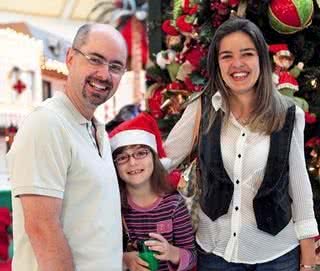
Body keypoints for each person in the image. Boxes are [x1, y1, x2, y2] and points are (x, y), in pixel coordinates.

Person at [164, 17, 318, 271]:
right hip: (215, 254)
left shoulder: (288, 113)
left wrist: (309, 263)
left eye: (247, 53)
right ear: (217, 63)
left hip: (276, 255)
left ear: (261, 59)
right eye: (226, 56)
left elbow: (300, 191)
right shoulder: (202, 108)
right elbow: (164, 160)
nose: (237, 64)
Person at [6, 23, 128, 271]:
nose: (105, 75)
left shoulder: (94, 129)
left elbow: (89, 225)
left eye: (115, 67)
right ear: (70, 58)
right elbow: (42, 229)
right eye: (95, 59)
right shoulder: (47, 124)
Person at [109, 112, 197, 271]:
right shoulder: (113, 207)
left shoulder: (174, 205)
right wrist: (125, 259)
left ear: (154, 159)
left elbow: (191, 257)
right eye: (122, 157)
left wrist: (173, 253)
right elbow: (101, 253)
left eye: (141, 153)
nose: (133, 162)